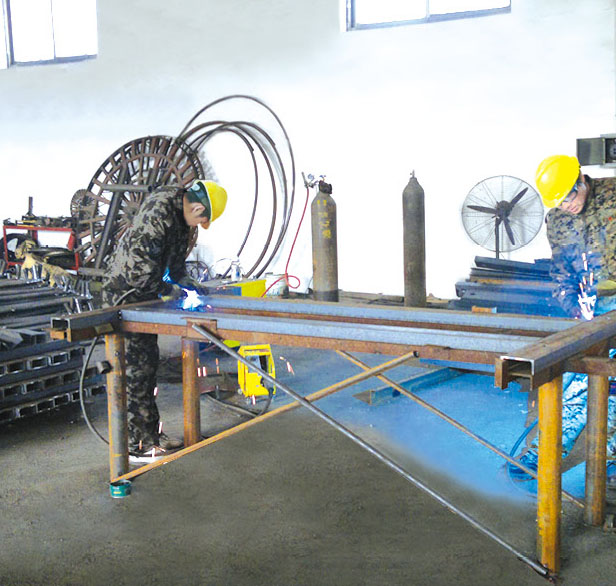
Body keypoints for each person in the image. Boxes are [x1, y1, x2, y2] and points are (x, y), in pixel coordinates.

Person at [101, 179, 227, 462]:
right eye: (202, 220)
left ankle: (150, 435)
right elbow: (140, 272)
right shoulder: (158, 213)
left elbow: (176, 267)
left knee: (146, 366)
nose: (199, 225)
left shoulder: (182, 220)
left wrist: (192, 286)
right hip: (125, 294)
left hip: (145, 296)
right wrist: (171, 292)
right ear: (197, 208)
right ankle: (137, 445)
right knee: (134, 371)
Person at [509, 155, 616, 482]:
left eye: (570, 195)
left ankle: (604, 456)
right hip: (594, 308)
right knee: (575, 375)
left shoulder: (613, 195)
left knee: (606, 383)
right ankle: (549, 449)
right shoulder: (557, 219)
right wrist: (572, 304)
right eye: (559, 201)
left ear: (582, 180)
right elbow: (561, 271)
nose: (567, 205)